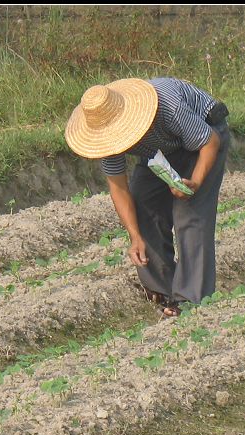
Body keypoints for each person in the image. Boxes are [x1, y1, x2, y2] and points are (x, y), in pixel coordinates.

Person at [65, 77, 230, 317]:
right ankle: (163, 291)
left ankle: (191, 300)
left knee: (190, 215)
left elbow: (210, 142)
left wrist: (194, 182)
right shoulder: (106, 138)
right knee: (142, 206)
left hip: (205, 136)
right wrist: (135, 236)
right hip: (160, 151)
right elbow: (119, 188)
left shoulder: (168, 105)